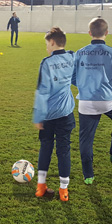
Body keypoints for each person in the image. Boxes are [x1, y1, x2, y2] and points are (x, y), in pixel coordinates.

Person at [72, 17, 112, 185]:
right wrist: (109, 90)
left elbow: (72, 77)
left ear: (90, 33)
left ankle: (88, 175)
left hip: (85, 102)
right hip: (107, 100)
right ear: (107, 32)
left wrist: (84, 87)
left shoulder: (79, 52)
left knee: (86, 139)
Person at [33, 27, 75, 202]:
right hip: (66, 113)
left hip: (49, 115)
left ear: (52, 42)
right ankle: (63, 190)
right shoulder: (72, 57)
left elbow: (42, 91)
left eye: (46, 44)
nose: (46, 47)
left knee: (46, 147)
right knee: (64, 150)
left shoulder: (46, 63)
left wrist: (37, 117)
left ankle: (41, 187)